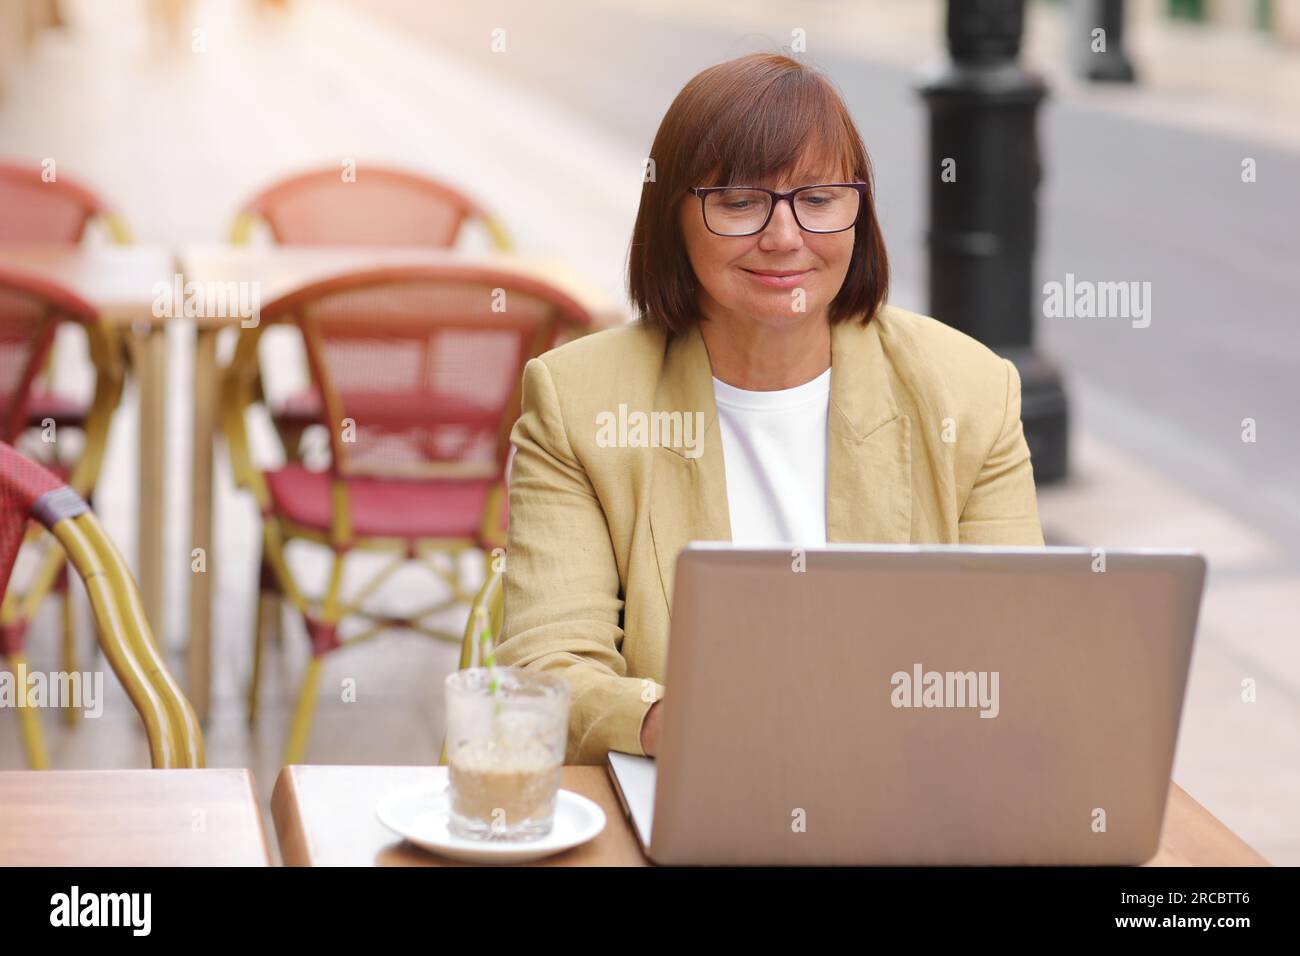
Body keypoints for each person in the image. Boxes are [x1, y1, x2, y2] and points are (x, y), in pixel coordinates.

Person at [495, 52, 1044, 765]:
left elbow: (1018, 653)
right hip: (689, 788)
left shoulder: (969, 391)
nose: (784, 237)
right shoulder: (579, 402)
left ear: (858, 210)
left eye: (817, 199)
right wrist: (689, 722)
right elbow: (546, 669)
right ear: (675, 218)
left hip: (906, 788)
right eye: (740, 202)